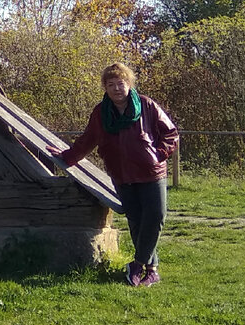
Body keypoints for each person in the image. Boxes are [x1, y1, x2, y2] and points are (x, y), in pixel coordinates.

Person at [48, 62, 178, 287]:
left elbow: (171, 133)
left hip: (151, 173)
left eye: (121, 83)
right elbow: (88, 140)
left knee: (156, 216)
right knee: (136, 222)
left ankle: (137, 264)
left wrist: (158, 154)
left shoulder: (146, 106)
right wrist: (67, 156)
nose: (117, 88)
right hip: (122, 175)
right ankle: (151, 270)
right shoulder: (101, 113)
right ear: (105, 88)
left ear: (129, 84)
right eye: (111, 84)